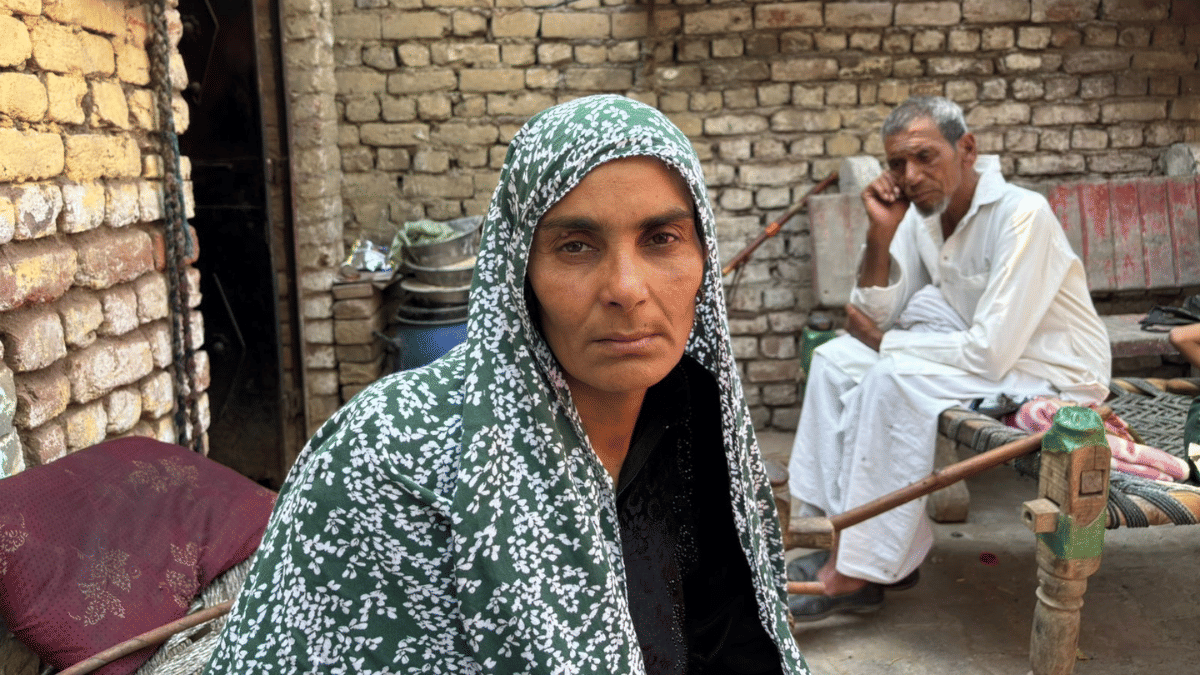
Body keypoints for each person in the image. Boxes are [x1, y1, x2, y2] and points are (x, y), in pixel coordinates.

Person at [202, 95, 810, 674]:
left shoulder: (698, 430)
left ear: (703, 256)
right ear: (519, 272)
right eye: (575, 246)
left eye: (661, 239)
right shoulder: (388, 452)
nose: (626, 287)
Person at [786, 96, 1111, 621]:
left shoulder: (1022, 215)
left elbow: (988, 351)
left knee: (891, 374)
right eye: (896, 163)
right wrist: (880, 232)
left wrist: (886, 344)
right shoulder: (923, 219)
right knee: (834, 359)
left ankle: (857, 570)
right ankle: (846, 540)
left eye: (924, 157)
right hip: (981, 354)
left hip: (1054, 371)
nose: (910, 176)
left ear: (967, 149)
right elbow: (873, 312)